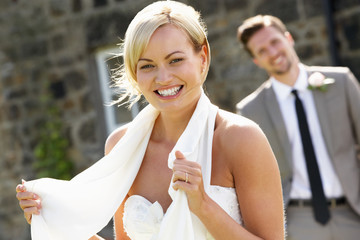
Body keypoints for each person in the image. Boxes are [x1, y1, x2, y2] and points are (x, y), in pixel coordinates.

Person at [16, 2, 284, 240]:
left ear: (202, 58)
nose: (163, 77)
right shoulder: (122, 145)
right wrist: (54, 220)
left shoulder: (241, 138)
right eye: (147, 65)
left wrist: (203, 205)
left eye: (175, 60)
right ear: (135, 73)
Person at [236, 14, 360, 240]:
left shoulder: (340, 82)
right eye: (262, 51)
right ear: (256, 60)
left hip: (353, 212)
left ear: (289, 38)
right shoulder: (251, 111)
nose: (273, 53)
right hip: (297, 222)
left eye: (274, 42)